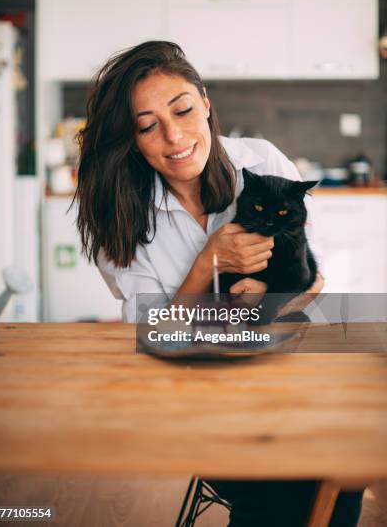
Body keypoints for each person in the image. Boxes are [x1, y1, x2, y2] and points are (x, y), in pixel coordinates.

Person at [74, 40, 363, 526]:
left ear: (206, 103)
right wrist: (206, 262)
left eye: (183, 110)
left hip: (283, 379)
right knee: (283, 488)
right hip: (194, 397)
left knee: (343, 468)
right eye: (148, 126)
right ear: (133, 138)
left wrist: (275, 304)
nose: (174, 136)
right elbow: (154, 338)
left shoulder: (263, 163)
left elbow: (319, 287)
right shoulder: (121, 214)